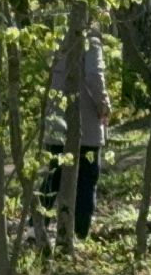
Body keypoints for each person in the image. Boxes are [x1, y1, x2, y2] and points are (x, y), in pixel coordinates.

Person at [37, 26, 111, 241]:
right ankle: (80, 234)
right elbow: (94, 76)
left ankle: (37, 228)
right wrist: (103, 107)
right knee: (87, 179)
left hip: (57, 122)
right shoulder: (91, 42)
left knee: (55, 175)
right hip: (85, 123)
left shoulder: (56, 38)